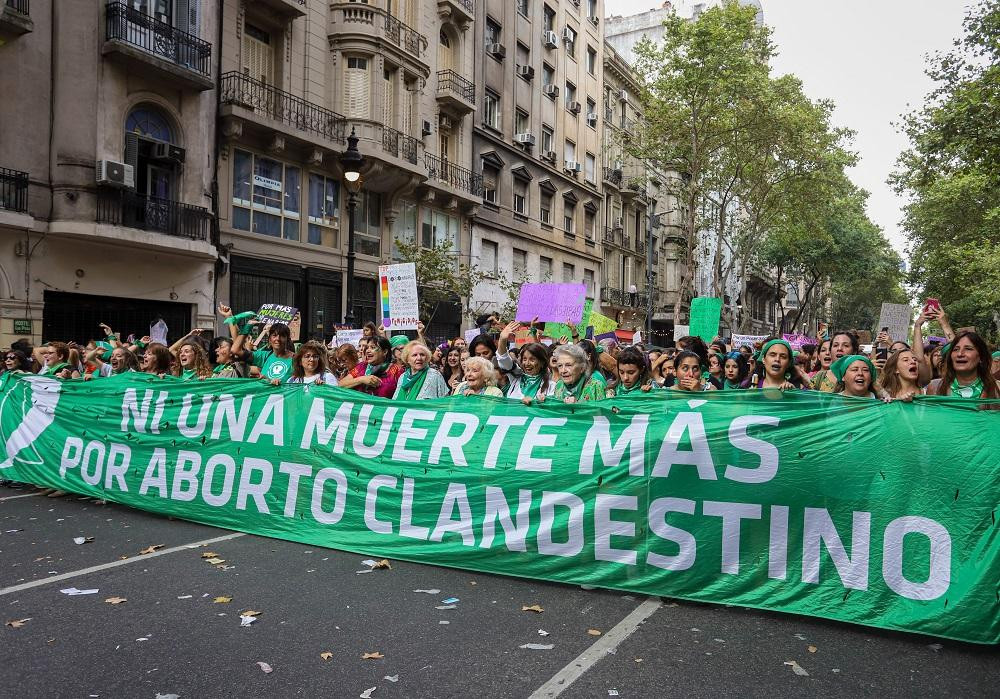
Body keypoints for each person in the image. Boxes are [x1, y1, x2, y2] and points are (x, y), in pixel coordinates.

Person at [926, 331, 1000, 399]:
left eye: (968, 349)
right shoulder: (935, 387)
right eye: (956, 349)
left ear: (981, 357)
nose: (960, 354)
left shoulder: (997, 388)